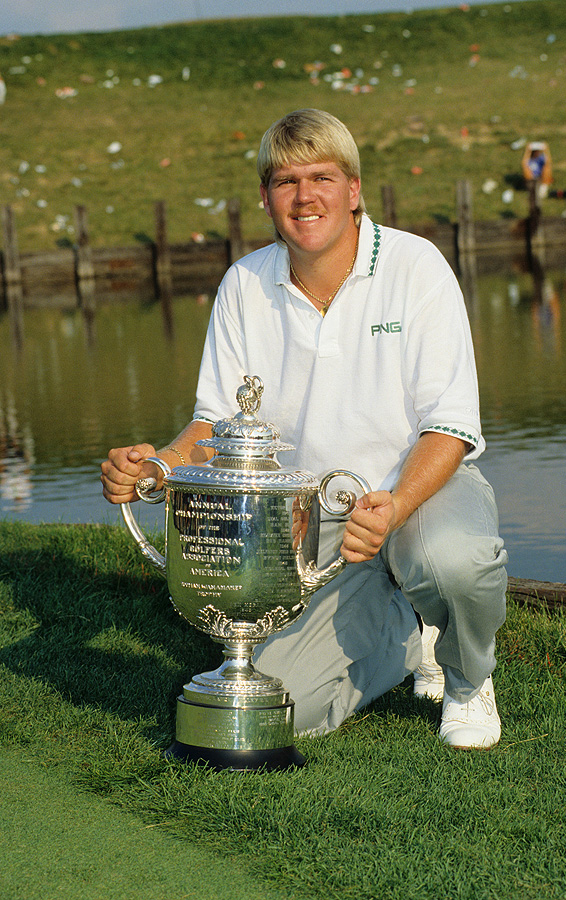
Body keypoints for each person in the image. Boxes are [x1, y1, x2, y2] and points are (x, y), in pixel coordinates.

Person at [101, 109, 508, 750]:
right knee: (282, 707)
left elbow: (450, 425)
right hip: (301, 522)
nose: (305, 196)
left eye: (322, 176)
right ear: (265, 198)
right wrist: (158, 464)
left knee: (450, 560)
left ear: (353, 190)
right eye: (286, 181)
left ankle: (466, 679)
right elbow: (215, 424)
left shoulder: (416, 266)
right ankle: (407, 633)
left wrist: (398, 505)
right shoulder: (244, 283)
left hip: (416, 493)